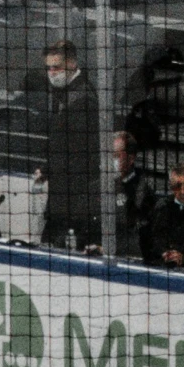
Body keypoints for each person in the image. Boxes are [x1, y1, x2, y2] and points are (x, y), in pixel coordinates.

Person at [35, 39, 102, 250]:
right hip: (62, 191)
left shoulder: (83, 99)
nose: (52, 72)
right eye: (49, 67)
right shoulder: (66, 93)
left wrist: (53, 168)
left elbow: (80, 152)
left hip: (76, 197)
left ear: (72, 64)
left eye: (56, 67)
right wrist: (48, 168)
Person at [114, 130, 158, 258]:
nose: (111, 160)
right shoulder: (97, 187)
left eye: (116, 155)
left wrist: (106, 248)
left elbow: (137, 238)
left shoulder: (142, 192)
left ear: (131, 158)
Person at [143, 163, 184, 265]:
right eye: (178, 186)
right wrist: (164, 252)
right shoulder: (162, 207)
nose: (183, 191)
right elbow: (152, 238)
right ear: (171, 186)